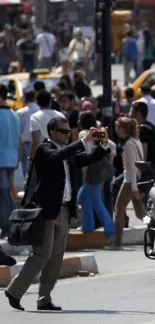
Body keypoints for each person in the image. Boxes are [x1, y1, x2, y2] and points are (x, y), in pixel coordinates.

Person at [4, 119, 110, 311]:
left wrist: (102, 145)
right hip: (47, 210)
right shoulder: (45, 149)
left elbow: (85, 159)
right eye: (62, 131)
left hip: (64, 209)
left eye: (69, 131)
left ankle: (44, 298)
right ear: (52, 132)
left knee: (56, 256)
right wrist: (81, 141)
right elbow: (56, 157)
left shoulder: (66, 153)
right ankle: (15, 291)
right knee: (42, 253)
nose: (67, 135)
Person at [76, 111, 116, 239]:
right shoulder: (96, 132)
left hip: (91, 172)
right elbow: (112, 146)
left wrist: (85, 172)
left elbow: (85, 152)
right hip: (99, 172)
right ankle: (88, 226)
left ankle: (110, 230)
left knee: (96, 202)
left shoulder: (83, 134)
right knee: (83, 197)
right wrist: (109, 161)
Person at [111, 117, 146, 250]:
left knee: (119, 210)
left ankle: (117, 242)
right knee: (140, 213)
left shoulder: (128, 144)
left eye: (117, 127)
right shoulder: (135, 141)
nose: (116, 130)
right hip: (135, 180)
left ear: (123, 129)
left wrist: (134, 188)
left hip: (130, 181)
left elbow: (132, 167)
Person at [0, 84, 20, 237]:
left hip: (1, 160)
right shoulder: (14, 114)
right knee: (6, 192)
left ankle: (9, 226)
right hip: (12, 160)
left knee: (4, 193)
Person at [28, 90, 65, 160]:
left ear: (37, 102)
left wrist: (31, 157)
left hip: (43, 156)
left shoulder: (35, 117)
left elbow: (36, 141)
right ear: (50, 101)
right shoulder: (60, 115)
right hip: (60, 154)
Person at [16, 89, 38, 183]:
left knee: (26, 170)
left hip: (25, 143)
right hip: (38, 142)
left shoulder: (20, 112)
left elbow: (18, 131)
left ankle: (27, 189)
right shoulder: (39, 110)